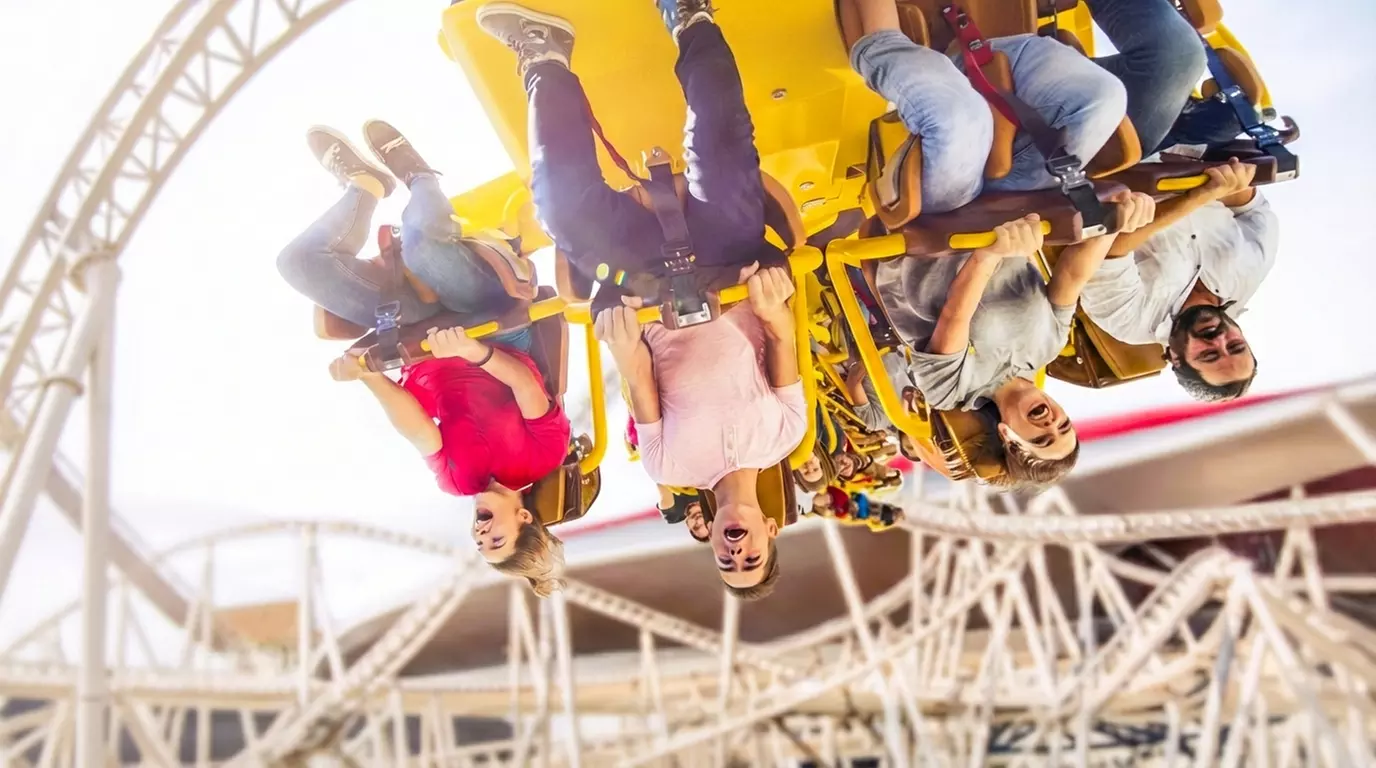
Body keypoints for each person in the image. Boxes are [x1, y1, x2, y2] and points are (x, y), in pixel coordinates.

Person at [479, 1, 805, 600]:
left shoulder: (668, 467)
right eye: (751, 556)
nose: (736, 552)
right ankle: (692, 19)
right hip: (724, 267)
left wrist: (621, 334)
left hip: (648, 289)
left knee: (562, 212)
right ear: (771, 528)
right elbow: (783, 340)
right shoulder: (784, 434)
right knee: (724, 150)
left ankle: (544, 58)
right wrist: (770, 300)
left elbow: (639, 380)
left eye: (726, 563)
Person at [839, 0, 1150, 488]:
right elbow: (1070, 277)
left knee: (960, 121)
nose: (1052, 425)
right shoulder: (1047, 346)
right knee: (1102, 100)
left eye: (1041, 440)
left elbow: (954, 317)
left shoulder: (951, 392)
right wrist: (1115, 223)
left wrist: (990, 254)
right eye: (1064, 428)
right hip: (1007, 208)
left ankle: (878, 46)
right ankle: (959, 62)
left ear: (1008, 437)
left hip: (941, 227)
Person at [276, 122, 571, 596]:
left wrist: (368, 377)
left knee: (297, 263)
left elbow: (417, 428)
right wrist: (473, 351)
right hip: (488, 320)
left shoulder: (456, 482)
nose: (480, 534)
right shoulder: (541, 457)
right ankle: (418, 176)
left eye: (481, 544)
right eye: (496, 538)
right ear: (523, 517)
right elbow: (526, 386)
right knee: (422, 250)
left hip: (417, 337)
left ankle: (365, 186)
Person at [1078, 0, 1277, 402]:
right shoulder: (1249, 274)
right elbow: (1251, 210)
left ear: (1176, 358)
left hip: (1114, 159)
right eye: (1235, 347)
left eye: (1209, 355)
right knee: (1231, 117)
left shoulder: (1129, 321)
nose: (1219, 340)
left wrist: (1203, 193)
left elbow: (1113, 248)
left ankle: (1061, 75)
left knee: (1174, 56)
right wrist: (1230, 182)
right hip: (1189, 149)